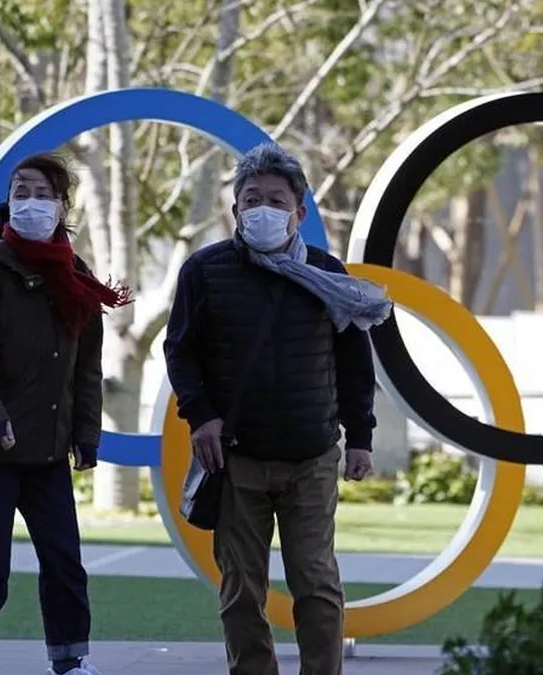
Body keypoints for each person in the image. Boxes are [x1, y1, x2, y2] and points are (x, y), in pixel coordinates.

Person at [163, 143, 391, 675]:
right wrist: (201, 416)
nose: (262, 209)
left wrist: (360, 437)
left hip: (312, 455)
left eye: (276, 200)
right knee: (242, 589)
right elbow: (181, 351)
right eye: (252, 199)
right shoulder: (204, 271)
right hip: (236, 457)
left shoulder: (329, 275)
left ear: (299, 212)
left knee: (316, 581)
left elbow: (355, 363)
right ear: (235, 209)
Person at [0, 153, 132, 675]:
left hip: (47, 446)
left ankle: (70, 659)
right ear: (8, 202)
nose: (30, 202)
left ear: (61, 206)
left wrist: (86, 435)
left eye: (42, 193)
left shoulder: (76, 277)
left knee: (64, 558)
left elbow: (86, 367)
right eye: (20, 191)